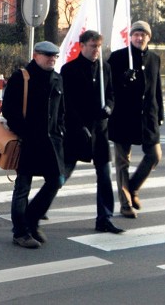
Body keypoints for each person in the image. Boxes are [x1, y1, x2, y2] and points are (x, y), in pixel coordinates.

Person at [3, 41, 65, 249]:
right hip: (28, 141)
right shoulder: (22, 77)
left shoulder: (57, 79)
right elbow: (9, 110)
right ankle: (20, 232)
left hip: (51, 142)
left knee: (56, 181)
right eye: (47, 56)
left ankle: (31, 220)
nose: (52, 59)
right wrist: (24, 132)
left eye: (55, 56)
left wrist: (60, 131)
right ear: (35, 55)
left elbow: (61, 111)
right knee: (23, 187)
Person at [61, 30, 123, 234]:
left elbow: (112, 94)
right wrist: (78, 125)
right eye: (92, 46)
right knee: (61, 174)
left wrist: (110, 108)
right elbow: (67, 103)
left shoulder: (105, 68)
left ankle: (104, 217)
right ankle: (40, 205)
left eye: (98, 46)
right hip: (78, 131)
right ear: (82, 46)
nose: (96, 50)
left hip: (100, 132)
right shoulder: (69, 69)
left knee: (105, 175)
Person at [108, 21, 163, 219]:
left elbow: (157, 89)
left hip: (148, 117)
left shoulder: (154, 58)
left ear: (149, 37)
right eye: (136, 34)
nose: (140, 38)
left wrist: (160, 116)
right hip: (123, 117)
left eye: (143, 35)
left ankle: (132, 188)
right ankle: (125, 203)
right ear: (130, 36)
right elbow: (109, 87)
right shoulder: (118, 57)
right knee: (123, 162)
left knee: (155, 155)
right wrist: (123, 79)